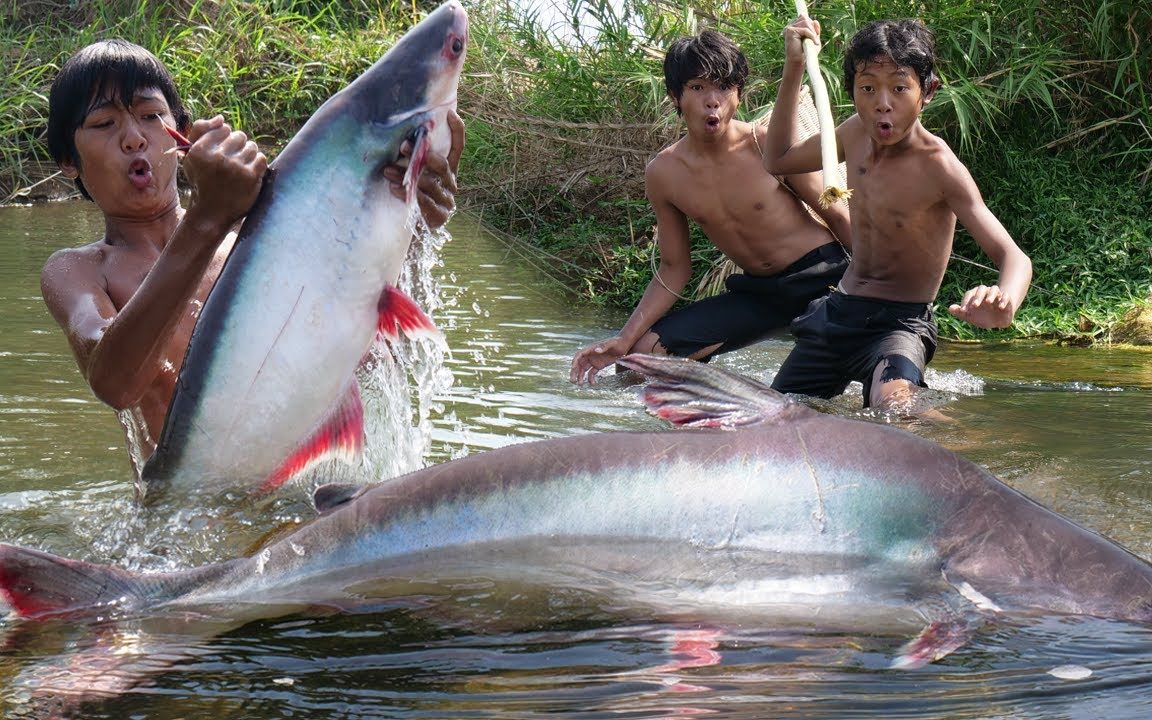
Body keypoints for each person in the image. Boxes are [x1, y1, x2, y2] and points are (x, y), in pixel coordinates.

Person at [39, 39, 463, 460]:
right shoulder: (79, 270)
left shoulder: (252, 229)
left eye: (151, 116)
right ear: (67, 161)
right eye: (103, 124)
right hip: (190, 516)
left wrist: (416, 223)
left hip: (303, 495)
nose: (133, 138)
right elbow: (115, 383)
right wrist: (208, 218)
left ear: (180, 136)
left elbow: (378, 352)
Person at [763, 17, 1032, 410]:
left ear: (929, 92)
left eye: (900, 88)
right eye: (867, 87)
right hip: (840, 312)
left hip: (899, 324)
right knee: (771, 417)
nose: (882, 103)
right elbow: (778, 159)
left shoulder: (938, 166)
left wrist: (1004, 301)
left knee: (898, 412)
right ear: (852, 90)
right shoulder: (853, 133)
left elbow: (1014, 257)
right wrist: (794, 68)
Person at [570, 29, 851, 385]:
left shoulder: (765, 144)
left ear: (738, 94)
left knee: (806, 383)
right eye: (698, 87)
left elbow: (837, 214)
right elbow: (674, 268)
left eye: (723, 87)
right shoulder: (664, 173)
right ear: (676, 95)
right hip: (762, 294)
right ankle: (700, 420)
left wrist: (886, 284)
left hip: (823, 277)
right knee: (641, 362)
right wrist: (624, 339)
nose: (712, 100)